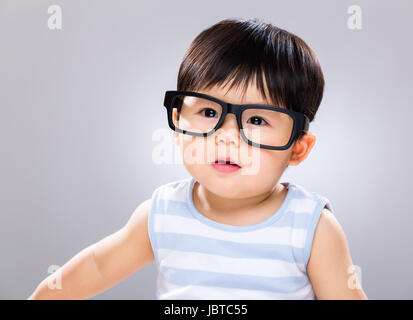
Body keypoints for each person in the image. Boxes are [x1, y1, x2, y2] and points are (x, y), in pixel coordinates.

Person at [28, 17, 368, 300]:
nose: (227, 135)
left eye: (257, 120)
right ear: (177, 122)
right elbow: (98, 268)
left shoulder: (310, 227)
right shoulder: (162, 213)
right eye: (208, 111)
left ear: (298, 148)